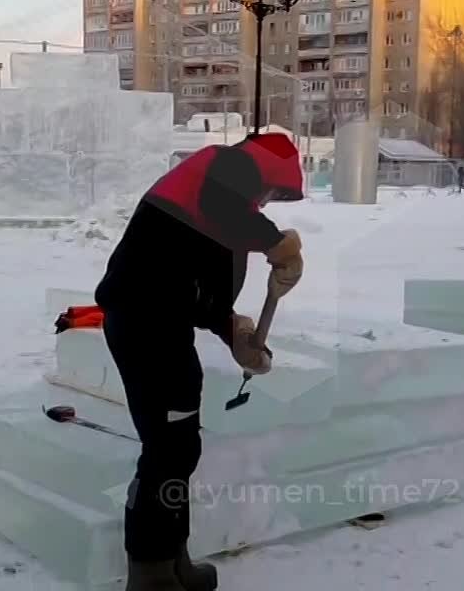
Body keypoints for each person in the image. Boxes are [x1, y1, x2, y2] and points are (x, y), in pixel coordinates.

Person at [94, 132, 306, 591]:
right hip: (146, 326)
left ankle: (173, 559)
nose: (268, 201)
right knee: (166, 451)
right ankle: (150, 572)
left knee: (179, 449)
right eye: (273, 191)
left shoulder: (213, 214)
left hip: (163, 327)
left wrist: (238, 334)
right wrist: (276, 243)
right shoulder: (225, 166)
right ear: (264, 171)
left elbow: (199, 295)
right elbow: (225, 209)